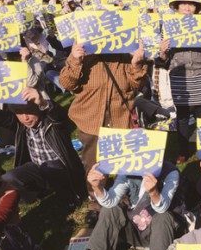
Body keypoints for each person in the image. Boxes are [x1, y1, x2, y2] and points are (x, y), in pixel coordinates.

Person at [59, 36, 148, 225]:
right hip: (90, 120)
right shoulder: (85, 54)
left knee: (119, 164)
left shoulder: (125, 54)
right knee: (93, 164)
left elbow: (136, 85)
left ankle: (121, 197)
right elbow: (67, 84)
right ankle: (95, 202)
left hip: (119, 119)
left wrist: (136, 64)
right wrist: (75, 59)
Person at [0, 87, 87, 211]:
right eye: (20, 114)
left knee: (49, 168)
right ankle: (35, 195)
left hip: (63, 170)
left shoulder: (53, 123)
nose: (25, 118)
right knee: (9, 177)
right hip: (37, 168)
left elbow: (58, 115)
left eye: (29, 112)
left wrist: (43, 102)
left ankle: (70, 198)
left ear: (38, 109)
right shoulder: (20, 124)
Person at [76, 161, 181, 250]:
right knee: (111, 209)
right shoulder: (128, 169)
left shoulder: (170, 172)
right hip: (136, 226)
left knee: (163, 215)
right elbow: (110, 201)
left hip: (161, 231)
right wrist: (98, 187)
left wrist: (154, 192)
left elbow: (162, 207)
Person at [157, 0, 201, 163]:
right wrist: (162, 52)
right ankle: (183, 150)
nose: (186, 7)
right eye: (183, 4)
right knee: (183, 117)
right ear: (177, 7)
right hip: (179, 78)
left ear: (196, 8)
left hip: (200, 74)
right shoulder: (167, 27)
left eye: (191, 4)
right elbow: (162, 62)